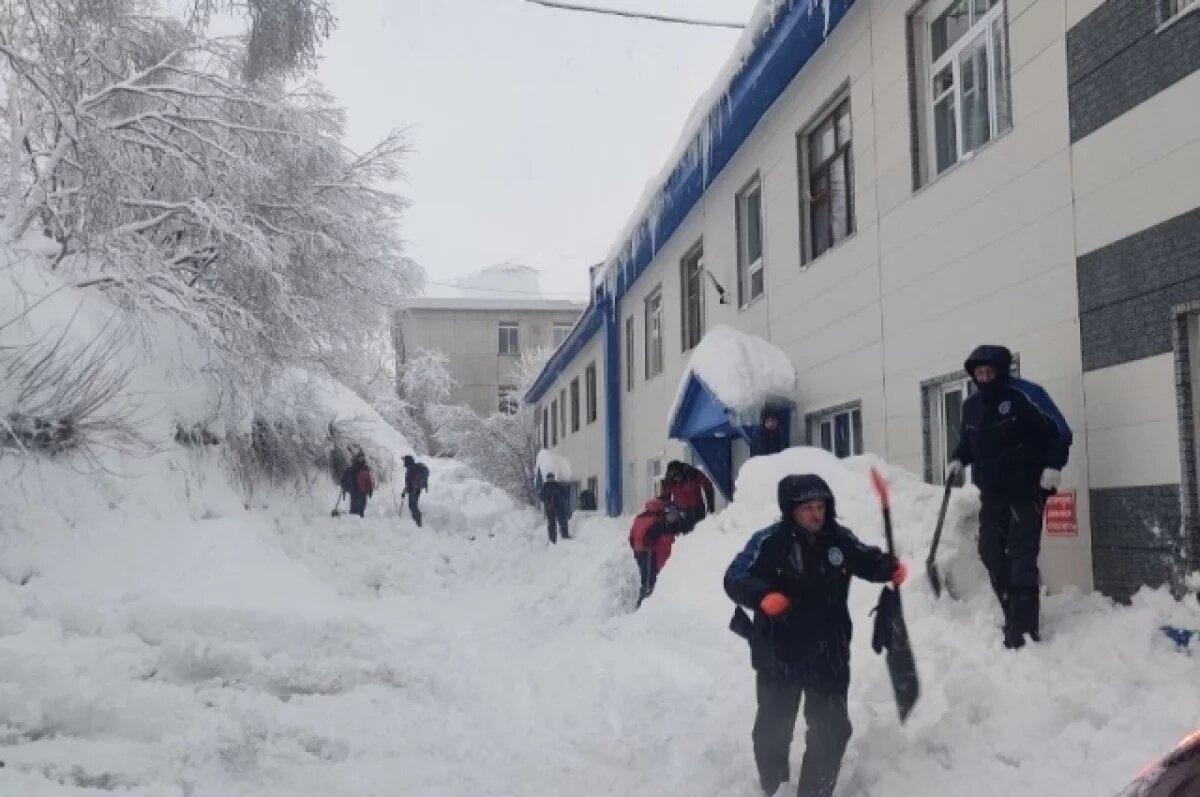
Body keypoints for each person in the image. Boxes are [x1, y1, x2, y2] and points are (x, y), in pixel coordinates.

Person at [724, 474, 906, 797]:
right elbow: (734, 576)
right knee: (772, 731)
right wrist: (762, 596)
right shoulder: (769, 542)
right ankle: (775, 788)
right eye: (808, 508)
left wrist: (887, 567)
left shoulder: (838, 539)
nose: (816, 515)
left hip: (828, 649)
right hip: (779, 650)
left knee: (832, 728)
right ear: (791, 510)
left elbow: (865, 558)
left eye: (820, 507)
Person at [945, 344, 1073, 649]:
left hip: (1027, 490)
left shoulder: (1026, 394)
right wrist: (958, 459)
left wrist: (1053, 465)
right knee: (989, 552)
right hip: (992, 494)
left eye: (989, 372)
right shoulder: (972, 406)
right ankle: (1012, 613)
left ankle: (1024, 630)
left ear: (1002, 371)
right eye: (979, 373)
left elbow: (1060, 431)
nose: (984, 377)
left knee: (1021, 556)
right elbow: (970, 442)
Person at [627, 498, 685, 606]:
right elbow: (656, 535)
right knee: (651, 578)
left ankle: (643, 601)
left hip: (638, 551)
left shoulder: (639, 518)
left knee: (644, 576)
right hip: (650, 551)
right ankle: (645, 603)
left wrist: (635, 548)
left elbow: (631, 536)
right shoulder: (657, 520)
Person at [660, 460, 715, 531]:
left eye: (679, 476)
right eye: (675, 478)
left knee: (701, 531)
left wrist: (710, 505)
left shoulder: (693, 474)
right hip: (682, 514)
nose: (678, 479)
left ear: (682, 471)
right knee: (686, 535)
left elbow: (708, 486)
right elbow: (665, 498)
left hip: (697, 510)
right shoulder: (669, 481)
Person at [339, 449, 374, 517]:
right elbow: (344, 478)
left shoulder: (365, 468)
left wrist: (370, 489)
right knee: (355, 509)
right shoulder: (353, 468)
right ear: (357, 458)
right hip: (355, 491)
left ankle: (360, 521)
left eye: (362, 457)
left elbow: (368, 479)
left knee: (362, 508)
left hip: (363, 492)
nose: (361, 458)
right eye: (360, 457)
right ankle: (352, 522)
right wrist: (345, 486)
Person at [540, 472, 571, 543]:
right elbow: (541, 497)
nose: (551, 479)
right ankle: (552, 539)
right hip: (549, 508)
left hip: (558, 507)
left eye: (552, 478)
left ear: (554, 478)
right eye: (549, 478)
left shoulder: (558, 485)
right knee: (551, 524)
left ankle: (565, 535)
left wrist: (558, 497)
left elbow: (564, 495)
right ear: (547, 479)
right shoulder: (545, 486)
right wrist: (547, 501)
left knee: (562, 521)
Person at [400, 454, 430, 527]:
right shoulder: (411, 468)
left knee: (412, 505)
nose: (403, 462)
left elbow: (411, 482)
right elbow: (409, 483)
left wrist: (410, 490)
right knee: (413, 505)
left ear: (407, 461)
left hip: (415, 490)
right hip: (415, 489)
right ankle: (417, 520)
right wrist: (405, 491)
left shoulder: (412, 469)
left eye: (404, 461)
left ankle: (418, 523)